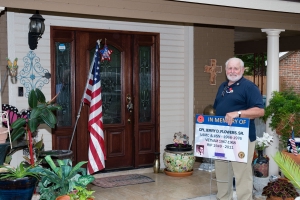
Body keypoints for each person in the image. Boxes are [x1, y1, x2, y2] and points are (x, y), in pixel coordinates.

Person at [213, 57, 264, 200]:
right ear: (225, 70)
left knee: (242, 174)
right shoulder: (222, 86)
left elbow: (260, 111)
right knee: (222, 172)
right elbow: (218, 109)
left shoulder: (249, 87)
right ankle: (223, 198)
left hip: (242, 138)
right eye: (230, 68)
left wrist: (239, 113)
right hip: (222, 137)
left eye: (236, 68)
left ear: (242, 70)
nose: (232, 71)